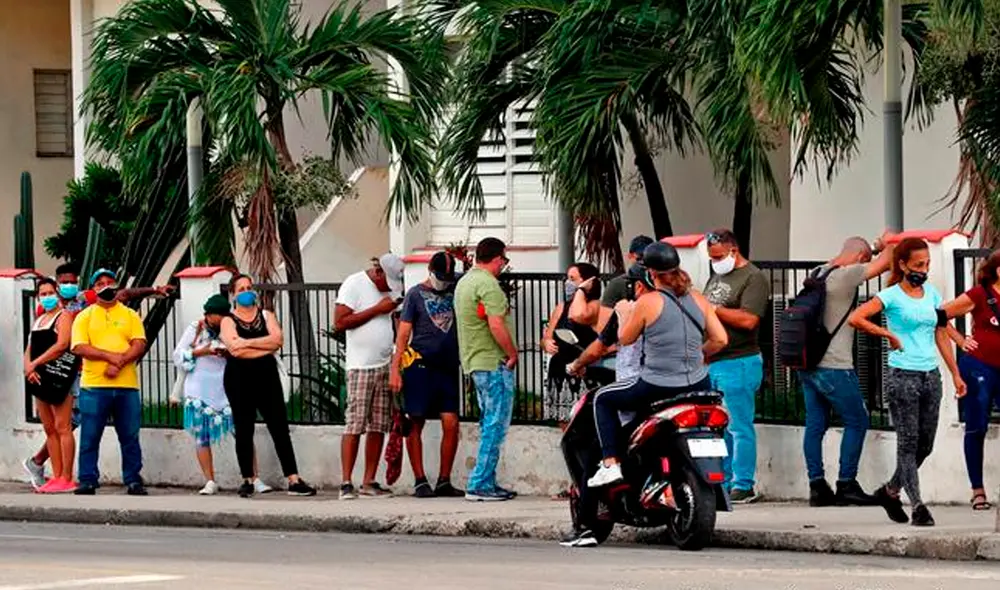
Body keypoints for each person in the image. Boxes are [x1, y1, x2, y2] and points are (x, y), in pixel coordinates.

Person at [587, 242, 728, 489]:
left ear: (650, 273)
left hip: (657, 385)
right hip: (698, 382)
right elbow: (721, 339)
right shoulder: (697, 298)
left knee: (602, 399)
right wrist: (699, 355)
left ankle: (610, 464)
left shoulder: (648, 301)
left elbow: (625, 339)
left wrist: (623, 313)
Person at [23, 263, 175, 489]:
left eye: (71, 281)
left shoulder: (85, 300)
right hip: (64, 374)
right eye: (63, 282)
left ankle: (50, 468)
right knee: (63, 427)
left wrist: (154, 290)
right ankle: (61, 471)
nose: (67, 286)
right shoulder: (52, 314)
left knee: (69, 425)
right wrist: (30, 366)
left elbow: (125, 295)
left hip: (82, 373)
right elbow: (40, 343)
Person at [849, 237, 965, 527]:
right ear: (902, 265)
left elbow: (941, 331)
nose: (923, 270)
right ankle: (918, 506)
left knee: (924, 444)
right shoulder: (891, 297)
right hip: (903, 376)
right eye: (918, 265)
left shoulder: (932, 296)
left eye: (926, 264)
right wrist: (887, 335)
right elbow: (856, 318)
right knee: (908, 443)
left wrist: (954, 372)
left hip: (930, 376)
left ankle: (890, 491)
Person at [559, 264, 654, 547]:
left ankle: (587, 525)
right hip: (685, 387)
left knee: (592, 453)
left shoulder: (628, 312)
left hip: (639, 394)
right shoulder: (685, 307)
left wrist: (578, 364)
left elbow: (601, 347)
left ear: (635, 287)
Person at [798, 234, 894, 507]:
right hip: (835, 366)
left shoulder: (819, 272)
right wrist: (885, 242)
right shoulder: (846, 276)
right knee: (858, 420)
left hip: (808, 364)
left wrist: (869, 249)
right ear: (862, 258)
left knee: (815, 424)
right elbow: (887, 260)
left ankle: (817, 486)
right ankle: (846, 484)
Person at [220, 274, 316, 498]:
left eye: (249, 287)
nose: (247, 292)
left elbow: (278, 340)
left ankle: (293, 478)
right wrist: (263, 346)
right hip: (238, 379)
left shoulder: (267, 315)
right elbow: (235, 350)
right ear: (234, 294)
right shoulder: (228, 320)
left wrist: (248, 343)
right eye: (241, 289)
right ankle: (248, 479)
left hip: (267, 377)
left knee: (279, 427)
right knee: (244, 429)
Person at [389, 252, 464, 498]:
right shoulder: (414, 295)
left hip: (448, 366)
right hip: (420, 364)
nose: (444, 282)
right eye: (440, 276)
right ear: (430, 271)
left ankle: (444, 479)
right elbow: (402, 334)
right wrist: (395, 369)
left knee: (451, 423)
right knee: (415, 421)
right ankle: (420, 479)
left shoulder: (456, 289)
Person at [703, 229, 769, 504]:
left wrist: (713, 309)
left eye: (718, 256)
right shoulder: (718, 274)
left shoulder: (753, 278)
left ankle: (743, 484)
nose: (715, 261)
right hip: (714, 360)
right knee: (718, 427)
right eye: (711, 257)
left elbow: (749, 320)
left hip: (738, 360)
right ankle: (724, 481)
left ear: (733, 250)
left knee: (739, 427)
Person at [334, 254, 406, 500]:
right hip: (360, 367)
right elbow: (340, 322)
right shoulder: (354, 284)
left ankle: (369, 481)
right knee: (355, 424)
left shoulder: (391, 292)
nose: (390, 289)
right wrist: (377, 309)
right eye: (388, 283)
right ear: (378, 273)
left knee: (378, 425)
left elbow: (395, 321)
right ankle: (346, 482)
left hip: (384, 364)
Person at [71, 269, 148, 496]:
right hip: (94, 386)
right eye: (100, 283)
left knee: (130, 435)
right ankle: (87, 480)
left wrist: (120, 361)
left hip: (127, 385)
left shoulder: (130, 315)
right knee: (90, 435)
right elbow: (78, 346)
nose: (106, 286)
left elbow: (139, 343)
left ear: (116, 285)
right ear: (93, 289)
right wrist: (109, 356)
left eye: (110, 282)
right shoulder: (85, 316)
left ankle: (133, 479)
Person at [455, 237, 519, 502]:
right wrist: (512, 353)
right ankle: (480, 483)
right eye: (503, 260)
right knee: (496, 424)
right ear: (496, 258)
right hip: (493, 362)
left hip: (474, 361)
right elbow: (495, 325)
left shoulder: (464, 283)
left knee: (488, 422)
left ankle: (487, 481)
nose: (504, 265)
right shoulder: (488, 285)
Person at [940, 249, 1000, 511]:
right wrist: (961, 340)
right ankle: (978, 491)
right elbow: (940, 316)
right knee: (977, 425)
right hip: (980, 366)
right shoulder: (980, 295)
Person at [171, 295, 235, 496]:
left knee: (242, 432)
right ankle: (209, 480)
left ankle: (252, 477)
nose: (220, 320)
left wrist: (227, 352)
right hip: (199, 388)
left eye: (224, 315)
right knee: (202, 437)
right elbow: (178, 355)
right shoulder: (195, 328)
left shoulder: (231, 327)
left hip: (226, 387)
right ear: (208, 314)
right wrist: (203, 351)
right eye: (217, 316)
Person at [23, 278, 79, 493]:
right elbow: (29, 347)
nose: (47, 297)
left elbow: (62, 344)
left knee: (63, 426)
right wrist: (28, 367)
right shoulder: (39, 320)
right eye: (42, 294)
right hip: (39, 378)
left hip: (59, 377)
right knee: (50, 428)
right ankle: (56, 476)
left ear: (57, 293)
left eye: (50, 292)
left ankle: (67, 476)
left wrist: (36, 363)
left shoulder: (63, 316)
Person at [541, 262, 603, 423]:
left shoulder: (596, 306)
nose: (567, 283)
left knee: (586, 420)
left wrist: (581, 291)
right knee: (563, 418)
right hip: (560, 368)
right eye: (567, 278)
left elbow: (580, 315)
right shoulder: (561, 307)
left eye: (572, 279)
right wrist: (546, 342)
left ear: (587, 282)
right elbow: (546, 337)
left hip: (584, 369)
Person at [597, 236, 655, 336]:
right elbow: (603, 326)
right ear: (630, 256)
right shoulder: (618, 284)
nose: (644, 263)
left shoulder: (662, 281)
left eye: (650, 258)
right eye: (640, 258)